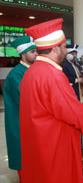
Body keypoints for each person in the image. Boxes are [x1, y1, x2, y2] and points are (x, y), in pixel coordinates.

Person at [20, 18, 83, 183]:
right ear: (55, 48)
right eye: (64, 47)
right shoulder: (53, 75)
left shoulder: (31, 72)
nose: (66, 51)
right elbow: (76, 115)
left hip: (39, 145)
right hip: (56, 147)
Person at [3, 36, 37, 183]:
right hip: (20, 123)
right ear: (24, 54)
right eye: (33, 52)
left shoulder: (31, 70)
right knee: (23, 154)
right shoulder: (16, 74)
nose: (36, 54)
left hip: (30, 122)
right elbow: (27, 99)